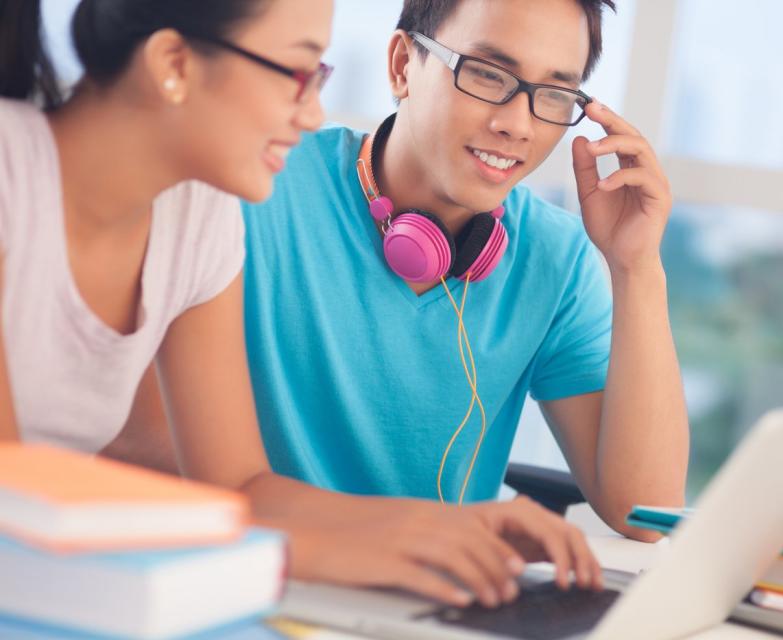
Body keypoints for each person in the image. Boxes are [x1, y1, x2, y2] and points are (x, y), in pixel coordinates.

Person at [0, 0, 599, 609]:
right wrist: (360, 546)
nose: (313, 112)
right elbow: (11, 498)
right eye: (295, 73)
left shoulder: (198, 219)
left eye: (320, 79)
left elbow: (238, 489)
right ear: (174, 63)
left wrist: (437, 531)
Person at [238, 0, 690, 539]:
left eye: (553, 94)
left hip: (439, 598)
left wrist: (637, 267)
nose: (517, 125)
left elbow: (647, 514)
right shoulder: (258, 188)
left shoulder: (555, 257)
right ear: (404, 66)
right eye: (487, 75)